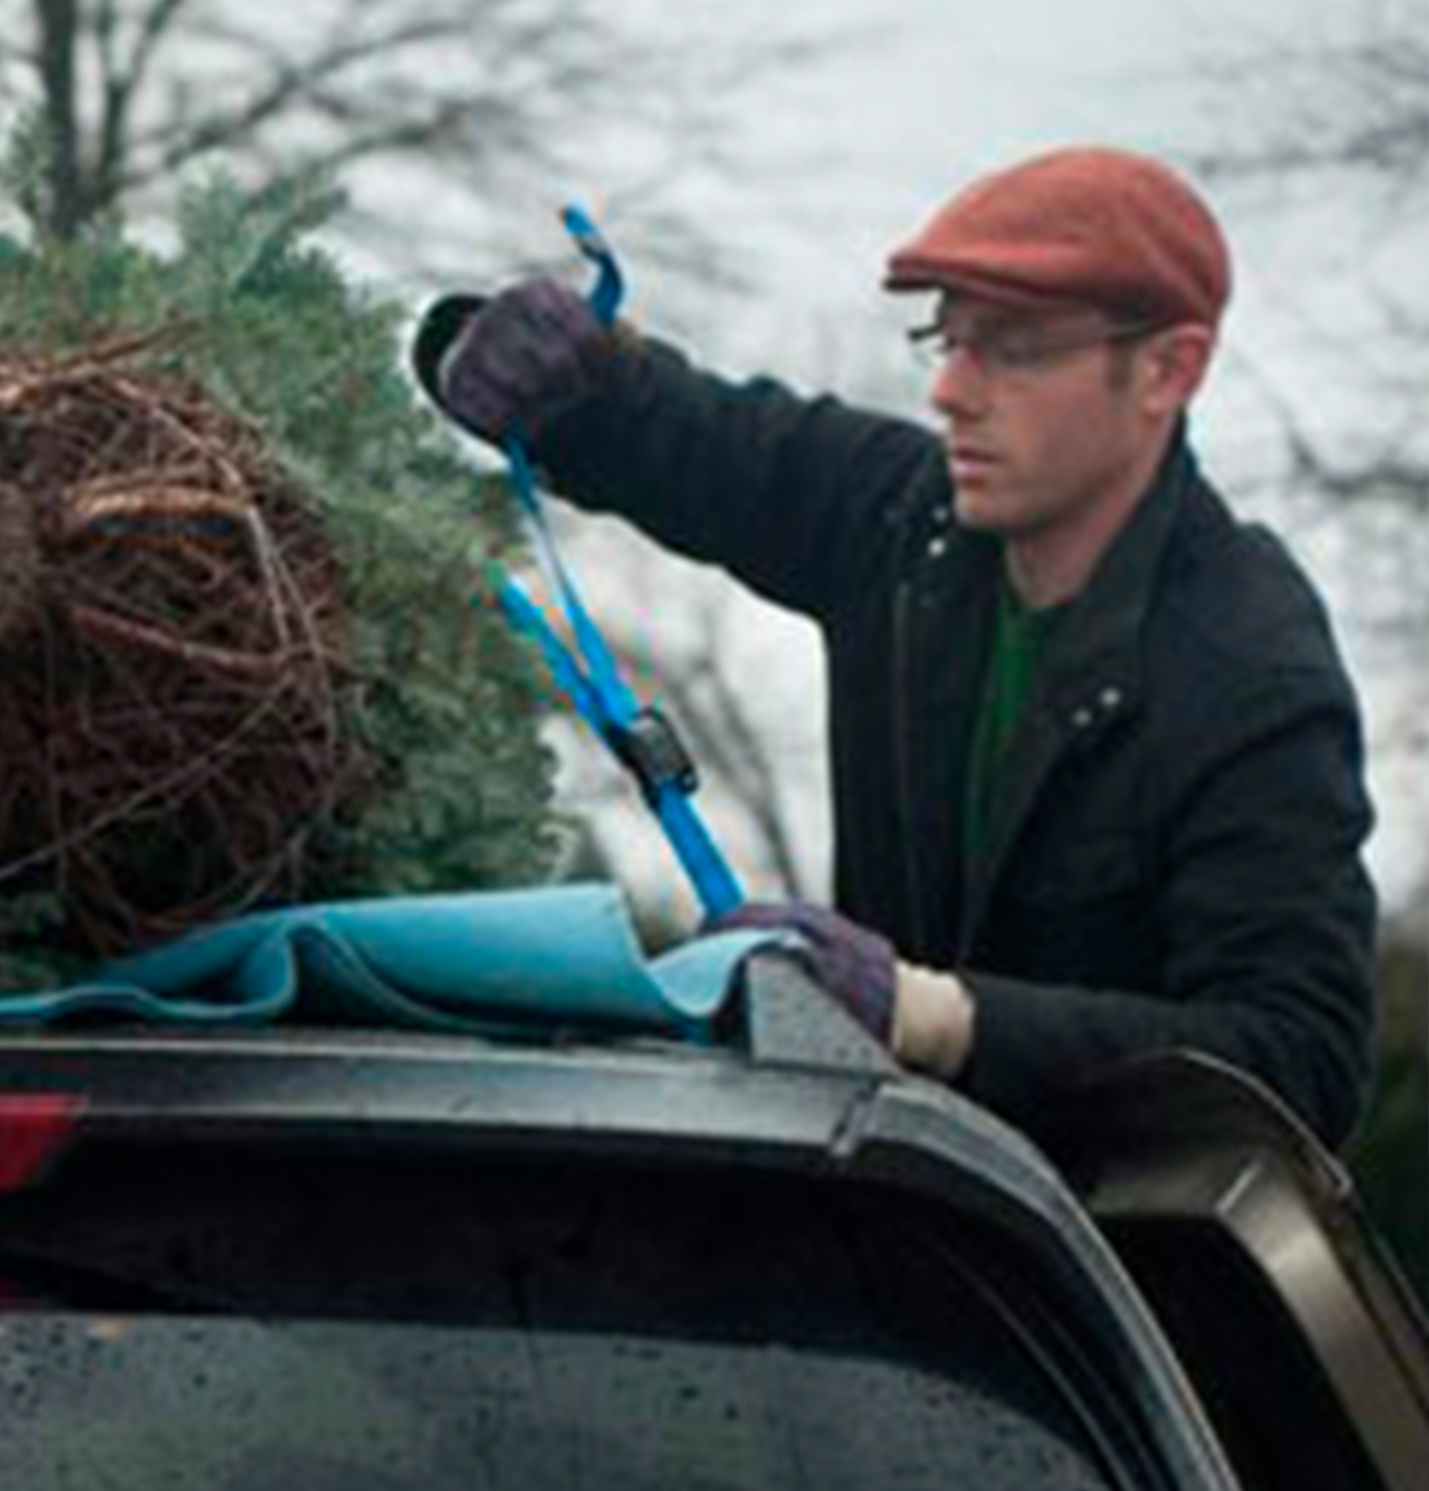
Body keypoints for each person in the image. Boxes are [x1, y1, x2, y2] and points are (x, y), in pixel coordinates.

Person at [417, 146, 1376, 1148]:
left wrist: (930, 1016)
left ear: (1167, 370)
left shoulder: (1248, 666)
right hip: (891, 1215)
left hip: (1114, 1274)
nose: (952, 391)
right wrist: (538, 371)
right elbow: (697, 440)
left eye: (1012, 348)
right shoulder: (907, 521)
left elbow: (1297, 1059)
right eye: (947, 340)